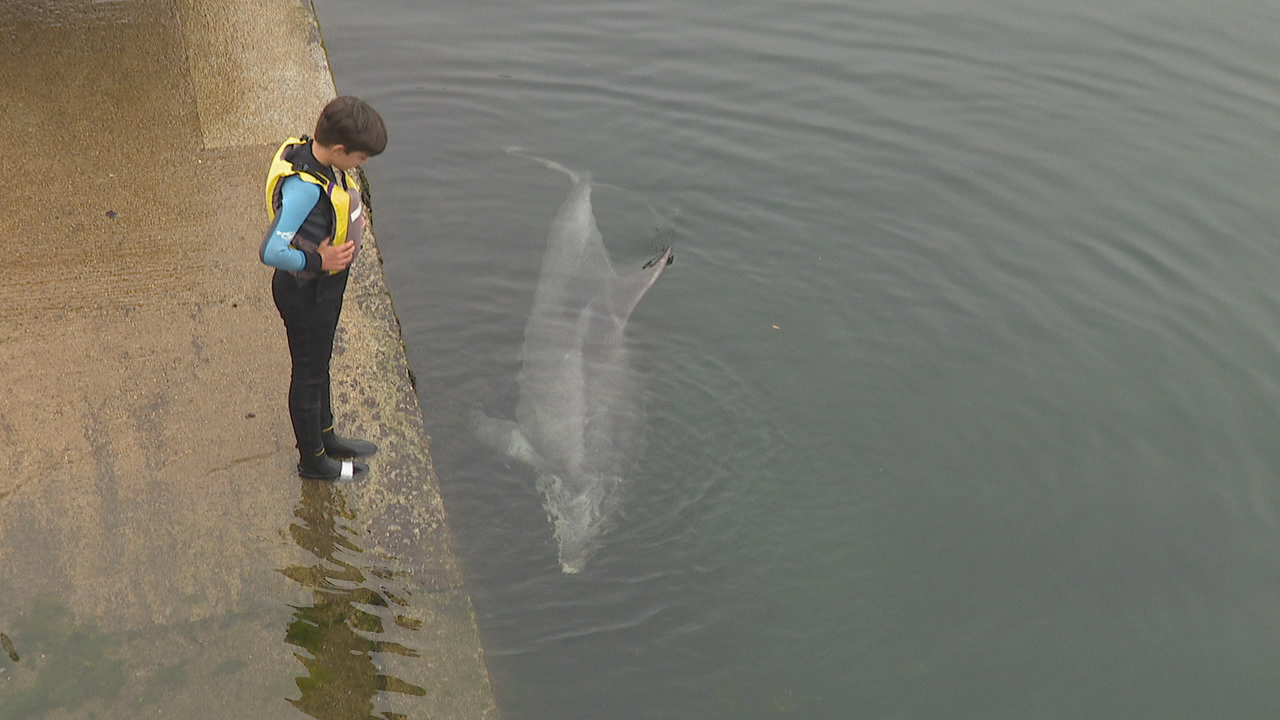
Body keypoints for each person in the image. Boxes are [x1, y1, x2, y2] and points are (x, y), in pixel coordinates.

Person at [259, 96, 388, 480]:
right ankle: (312, 460)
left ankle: (327, 437)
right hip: (304, 294)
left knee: (320, 366)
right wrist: (320, 261)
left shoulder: (322, 163)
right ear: (339, 149)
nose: (362, 166)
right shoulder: (305, 189)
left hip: (323, 292)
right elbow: (271, 251)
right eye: (361, 159)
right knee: (308, 374)